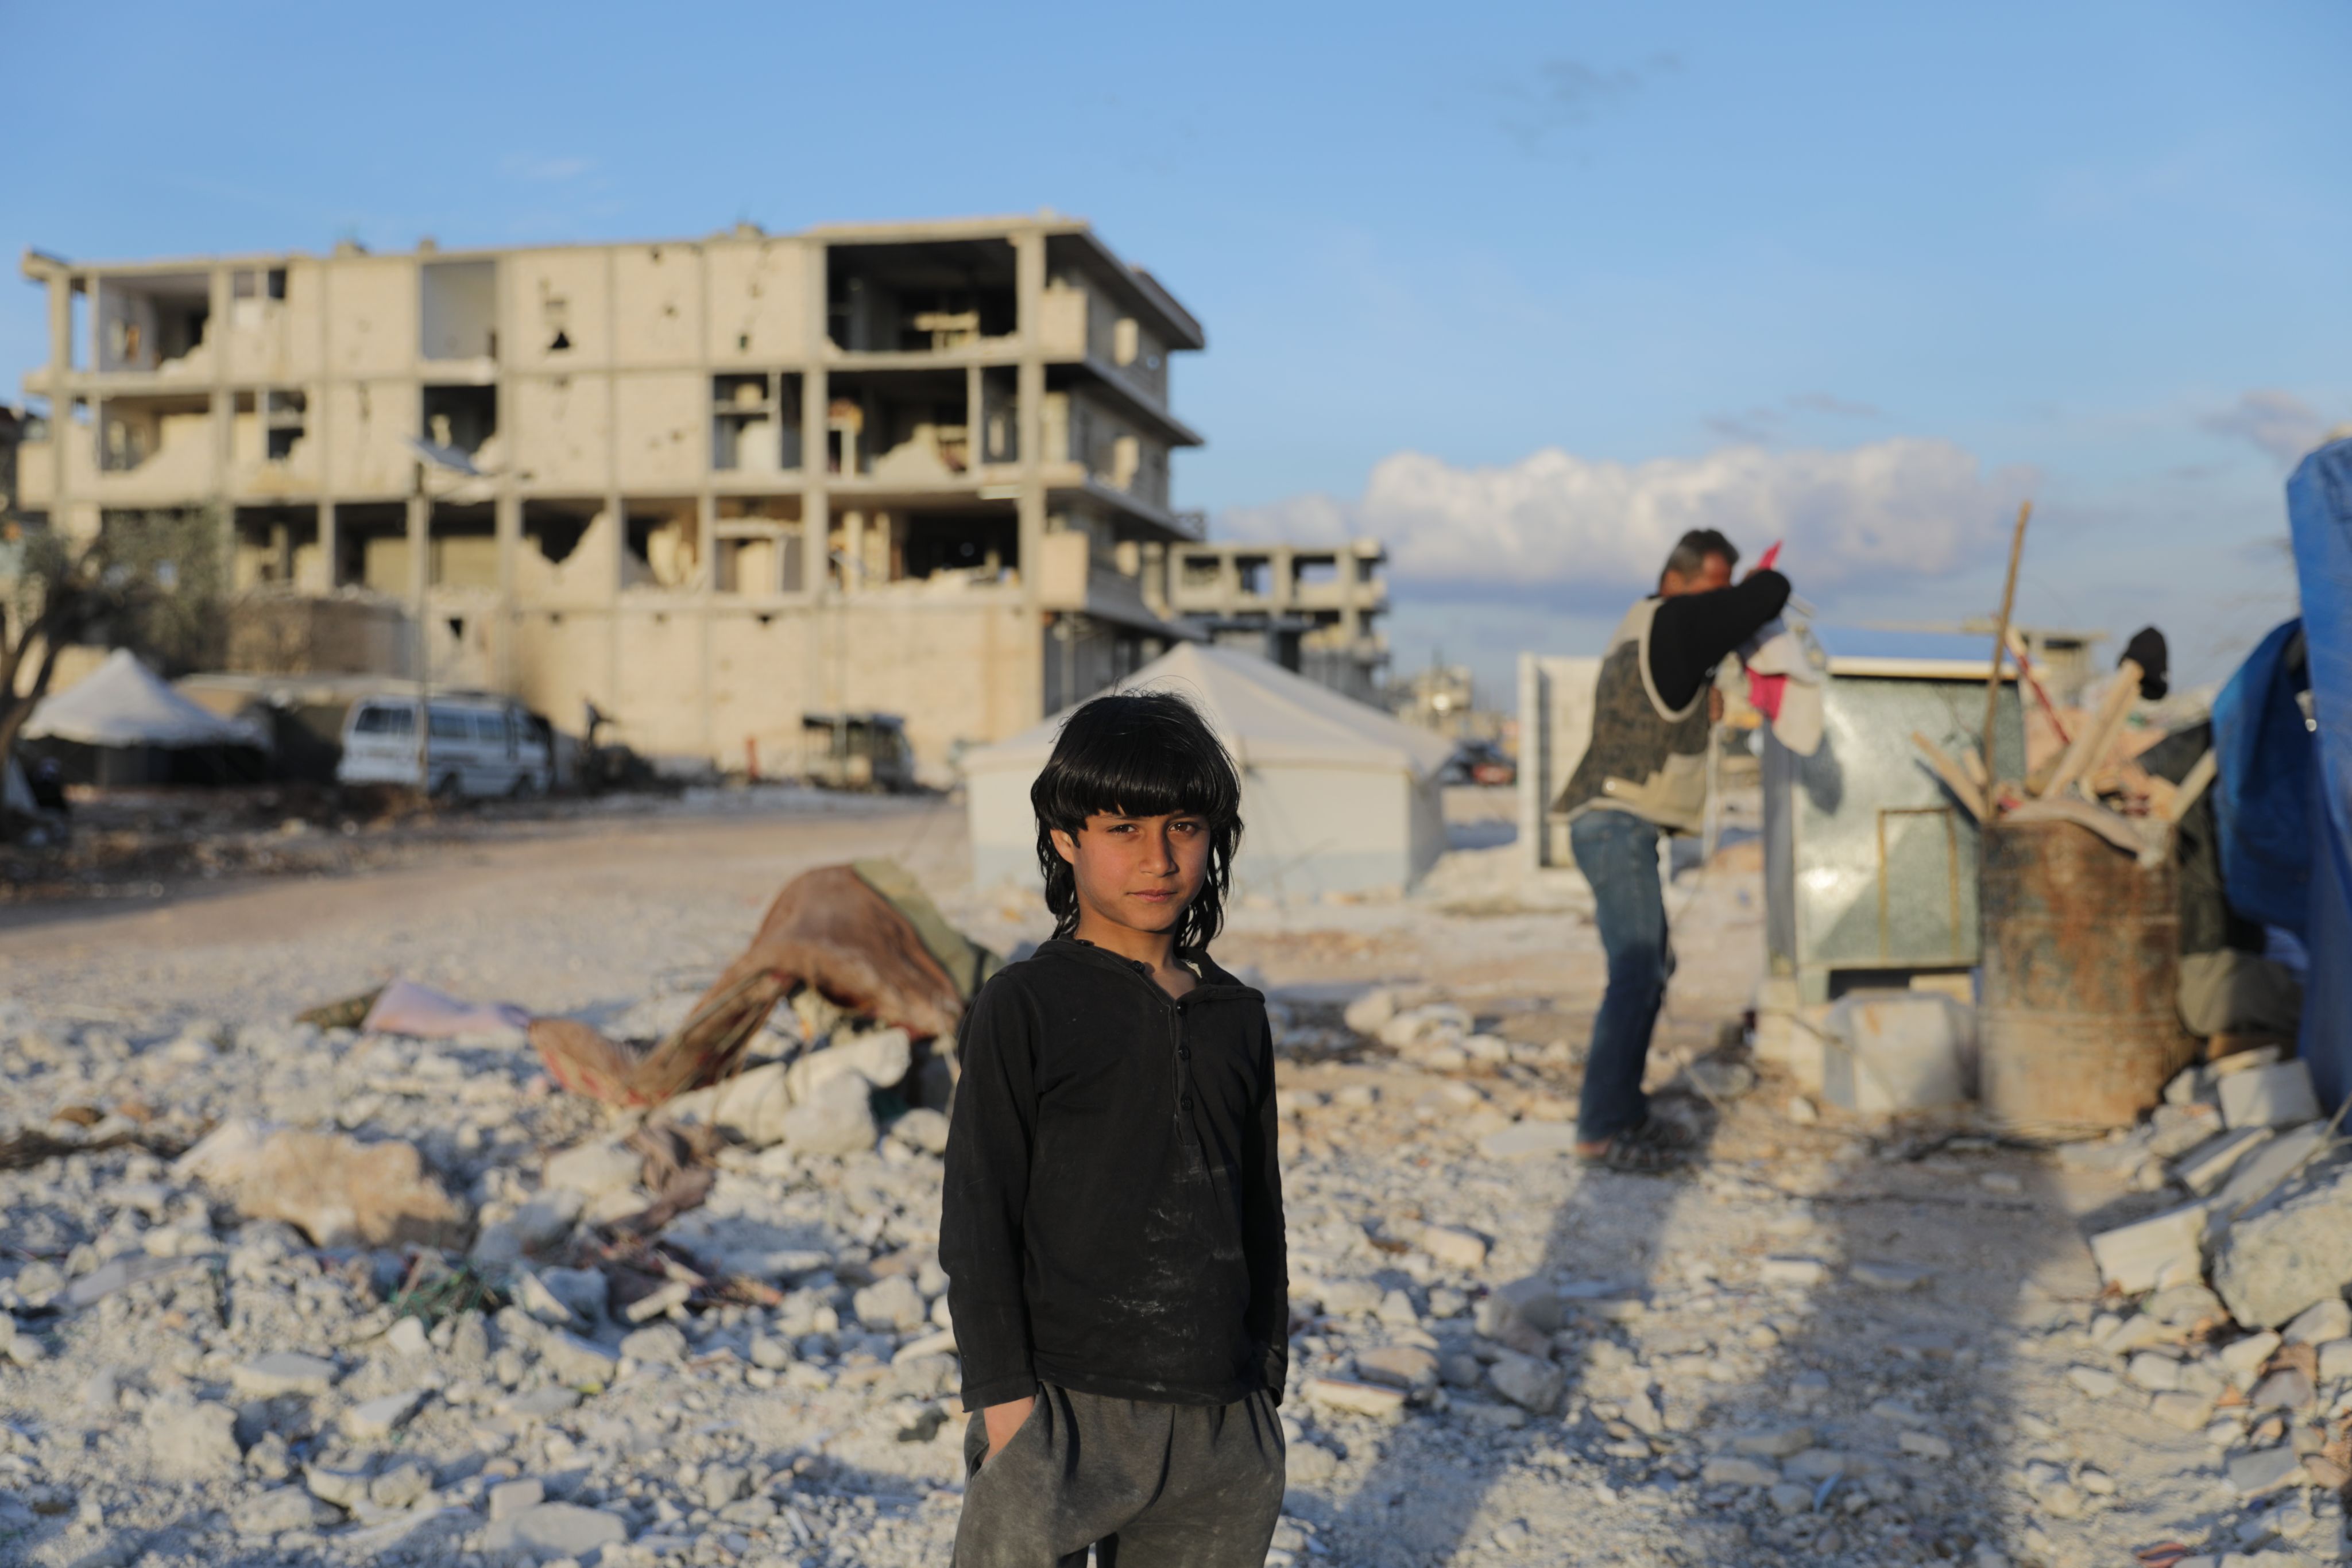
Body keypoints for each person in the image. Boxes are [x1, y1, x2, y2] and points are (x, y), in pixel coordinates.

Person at [942, 691, 1288, 1568]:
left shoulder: (1235, 1014)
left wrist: (1265, 1380)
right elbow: (978, 1214)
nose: (1159, 858)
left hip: (1218, 1418)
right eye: (1124, 827)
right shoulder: (1025, 1004)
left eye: (1183, 825)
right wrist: (1005, 1402)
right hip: (1060, 1406)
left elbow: (1259, 1206)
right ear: (1066, 837)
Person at [1553, 529, 1790, 1172]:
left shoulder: (1648, 630)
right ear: (1679, 580)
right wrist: (1754, 586)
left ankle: (1620, 1112)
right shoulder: (1673, 618)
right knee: (1637, 972)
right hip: (1614, 821)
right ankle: (1602, 1128)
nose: (1722, 603)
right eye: (1716, 586)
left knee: (1651, 963)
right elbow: (1767, 596)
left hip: (1616, 822)